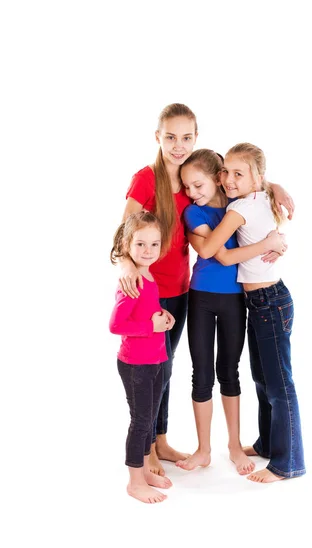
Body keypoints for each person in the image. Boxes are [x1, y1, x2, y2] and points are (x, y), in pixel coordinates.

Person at [118, 103, 295, 475]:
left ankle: (164, 440)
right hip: (159, 288)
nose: (178, 145)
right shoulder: (151, 181)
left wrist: (273, 186)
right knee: (157, 369)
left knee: (175, 369)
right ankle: (148, 448)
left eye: (186, 137)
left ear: (197, 140)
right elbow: (127, 231)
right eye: (170, 137)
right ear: (158, 137)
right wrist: (125, 264)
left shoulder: (212, 180)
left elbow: (244, 176)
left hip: (186, 289)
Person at [188, 142, 306, 483]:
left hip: (268, 300)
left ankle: (287, 464)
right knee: (262, 379)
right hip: (259, 302)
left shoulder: (240, 208)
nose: (230, 179)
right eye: (227, 173)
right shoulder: (250, 198)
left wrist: (198, 241)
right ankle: (267, 442)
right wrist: (272, 189)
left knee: (278, 384)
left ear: (257, 177)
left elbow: (217, 253)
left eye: (238, 174)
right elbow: (258, 185)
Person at [109, 211, 175, 503]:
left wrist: (163, 315)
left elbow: (148, 310)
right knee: (141, 422)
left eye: (154, 244)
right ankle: (135, 481)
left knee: (149, 420)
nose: (148, 251)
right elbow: (116, 325)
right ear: (127, 246)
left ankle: (146, 470)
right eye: (140, 245)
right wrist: (151, 326)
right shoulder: (131, 282)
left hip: (157, 360)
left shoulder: (148, 276)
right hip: (136, 365)